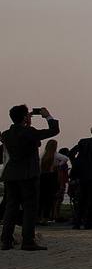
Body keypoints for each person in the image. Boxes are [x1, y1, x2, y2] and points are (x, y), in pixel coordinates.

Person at [2, 105, 60, 251]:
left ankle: (6, 240)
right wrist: (48, 116)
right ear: (23, 117)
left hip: (11, 174)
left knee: (11, 207)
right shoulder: (29, 132)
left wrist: (27, 124)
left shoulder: (6, 134)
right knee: (29, 208)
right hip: (28, 174)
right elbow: (54, 130)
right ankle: (28, 240)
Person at [69, 125, 92, 229]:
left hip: (83, 174)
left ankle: (77, 222)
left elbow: (71, 153)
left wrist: (76, 164)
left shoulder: (83, 142)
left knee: (82, 198)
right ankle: (88, 222)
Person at [38, 140, 60, 223]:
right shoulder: (55, 155)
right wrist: (57, 165)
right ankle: (45, 218)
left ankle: (38, 216)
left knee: (41, 198)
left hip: (42, 176)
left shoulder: (42, 155)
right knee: (49, 199)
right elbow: (65, 158)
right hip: (51, 177)